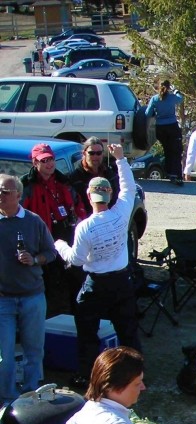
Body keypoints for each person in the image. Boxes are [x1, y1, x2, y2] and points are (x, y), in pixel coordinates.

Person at [54, 144, 142, 390]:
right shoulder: (122, 212)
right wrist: (121, 159)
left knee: (88, 334)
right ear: (110, 194)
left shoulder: (85, 227)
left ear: (90, 196)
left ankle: (88, 376)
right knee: (128, 331)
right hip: (122, 282)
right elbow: (129, 187)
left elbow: (76, 260)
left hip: (96, 284)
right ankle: (135, 376)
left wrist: (59, 245)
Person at [0, 174, 57, 403]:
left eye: (5, 191)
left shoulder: (33, 222)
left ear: (18, 195)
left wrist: (34, 260)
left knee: (34, 350)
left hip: (32, 296)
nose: (0, 196)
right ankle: (8, 400)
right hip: (2, 299)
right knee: (5, 355)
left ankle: (32, 396)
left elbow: (51, 253)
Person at [19, 142, 88, 315]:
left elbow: (78, 203)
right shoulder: (25, 186)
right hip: (40, 239)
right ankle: (46, 317)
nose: (49, 164)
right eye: (44, 160)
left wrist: (81, 222)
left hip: (65, 235)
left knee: (74, 276)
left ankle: (76, 313)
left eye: (51, 159)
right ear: (35, 163)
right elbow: (17, 214)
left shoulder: (63, 182)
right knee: (46, 282)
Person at [145, 80, 185, 185]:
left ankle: (170, 174)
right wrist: (176, 91)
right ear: (169, 87)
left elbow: (147, 113)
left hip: (160, 128)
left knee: (167, 151)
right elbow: (181, 99)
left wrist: (156, 112)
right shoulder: (172, 97)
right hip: (172, 126)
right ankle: (177, 175)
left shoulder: (155, 98)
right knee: (175, 151)